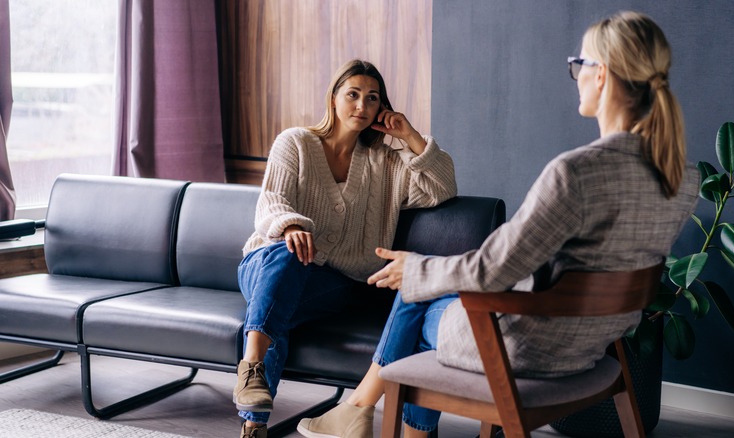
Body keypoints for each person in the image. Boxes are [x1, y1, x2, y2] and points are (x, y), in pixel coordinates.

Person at [297, 11, 700, 438]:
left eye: (578, 64)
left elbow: (494, 269)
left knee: (415, 296)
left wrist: (415, 269)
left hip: (527, 348)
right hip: (592, 346)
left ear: (600, 75)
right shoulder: (681, 177)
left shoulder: (577, 172)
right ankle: (359, 411)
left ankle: (358, 410)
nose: (576, 75)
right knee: (423, 285)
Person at [235, 59, 457, 438]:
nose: (361, 105)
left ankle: (253, 424)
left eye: (372, 98)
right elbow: (271, 200)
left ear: (381, 108)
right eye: (352, 94)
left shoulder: (386, 163)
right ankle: (251, 366)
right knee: (287, 260)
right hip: (267, 263)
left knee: (278, 308)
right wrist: (291, 225)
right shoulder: (295, 142)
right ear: (333, 98)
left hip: (332, 283)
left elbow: (442, 188)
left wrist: (410, 136)